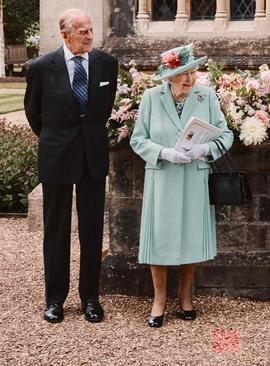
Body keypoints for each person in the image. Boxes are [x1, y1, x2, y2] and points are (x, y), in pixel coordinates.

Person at [24, 8, 118, 324]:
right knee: (56, 231)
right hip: (56, 156)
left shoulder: (107, 64)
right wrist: (59, 140)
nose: (89, 35)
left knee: (92, 230)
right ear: (65, 34)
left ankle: (90, 298)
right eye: (82, 31)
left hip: (93, 157)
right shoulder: (40, 68)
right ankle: (54, 300)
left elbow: (103, 110)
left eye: (91, 30)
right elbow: (33, 114)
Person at [130, 44, 234, 328]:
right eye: (183, 74)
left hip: (194, 174)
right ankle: (159, 299)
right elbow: (138, 139)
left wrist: (204, 150)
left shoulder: (207, 96)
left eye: (193, 72)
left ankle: (185, 296)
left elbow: (226, 136)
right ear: (169, 76)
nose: (190, 79)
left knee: (190, 235)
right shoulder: (151, 98)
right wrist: (163, 153)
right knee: (159, 237)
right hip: (162, 174)